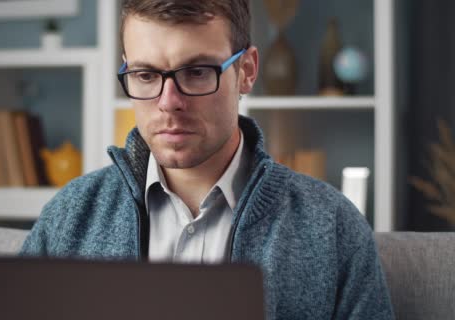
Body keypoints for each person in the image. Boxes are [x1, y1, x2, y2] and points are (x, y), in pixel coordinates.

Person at [21, 0, 394, 318]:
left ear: (246, 71)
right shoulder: (69, 218)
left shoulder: (332, 227)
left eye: (197, 72)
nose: (169, 102)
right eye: (146, 74)